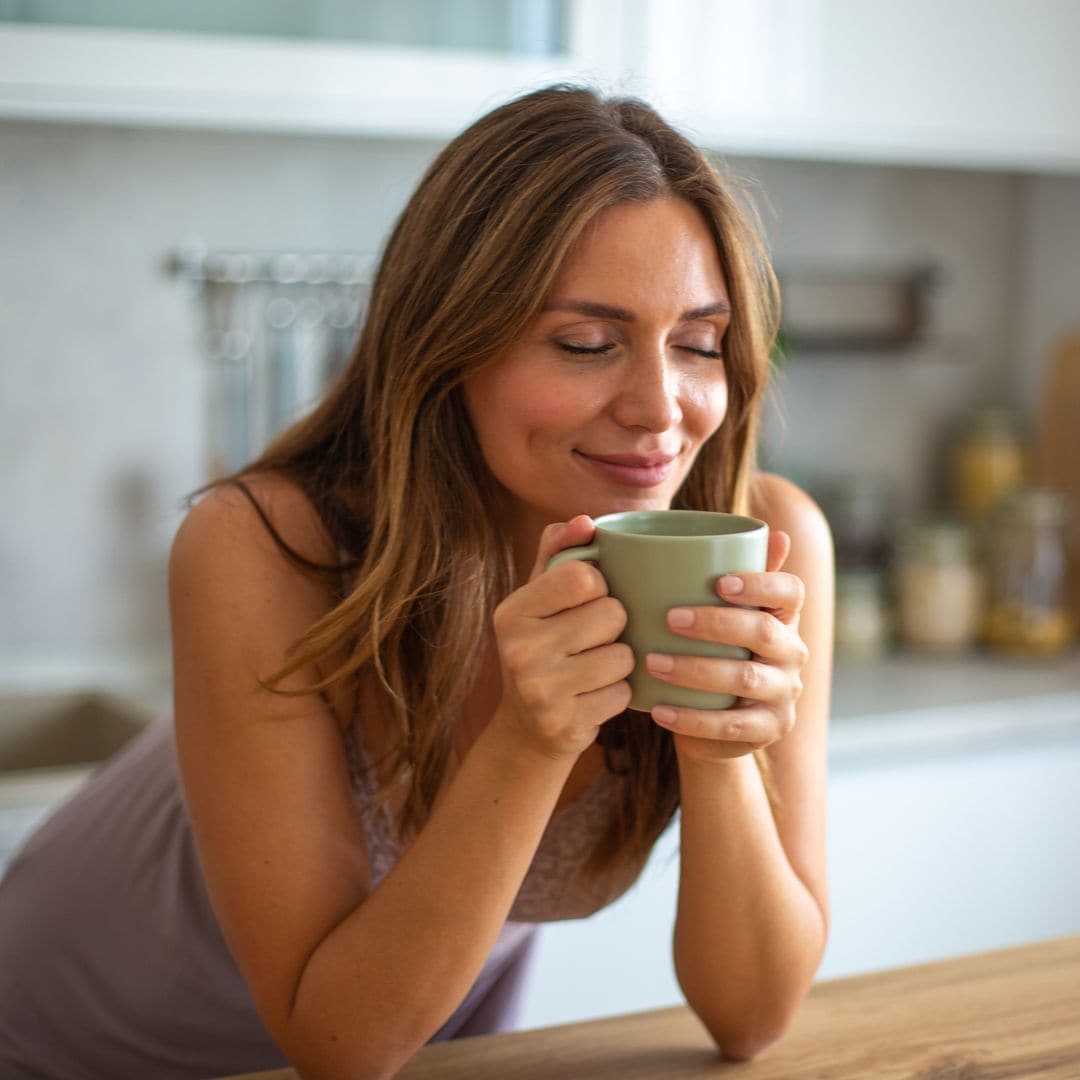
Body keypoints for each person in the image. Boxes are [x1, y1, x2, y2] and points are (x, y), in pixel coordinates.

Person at [0, 83, 833, 1078]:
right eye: (583, 342)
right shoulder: (258, 548)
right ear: (450, 345)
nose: (662, 407)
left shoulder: (769, 542)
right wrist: (529, 742)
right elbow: (333, 1041)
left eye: (699, 343)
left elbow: (751, 1016)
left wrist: (717, 743)